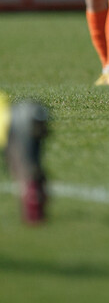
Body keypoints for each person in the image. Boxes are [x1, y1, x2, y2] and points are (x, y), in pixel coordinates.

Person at [0, 92, 49, 223]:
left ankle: (31, 194)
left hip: (7, 117)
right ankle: (32, 192)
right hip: (12, 111)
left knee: (21, 168)